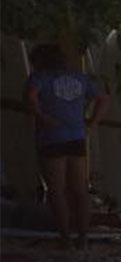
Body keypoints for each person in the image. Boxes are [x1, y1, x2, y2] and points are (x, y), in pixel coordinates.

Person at [24, 43, 109, 248]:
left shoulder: (40, 77)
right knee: (80, 189)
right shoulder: (80, 78)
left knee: (56, 191)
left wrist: (41, 116)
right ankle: (83, 237)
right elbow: (103, 98)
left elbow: (31, 96)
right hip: (76, 137)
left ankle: (65, 238)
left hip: (51, 137)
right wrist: (91, 123)